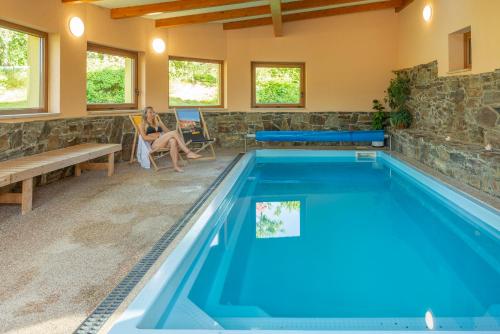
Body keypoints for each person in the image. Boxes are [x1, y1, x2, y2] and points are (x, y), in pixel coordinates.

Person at [139, 106, 201, 172]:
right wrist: (157, 136)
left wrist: (160, 123)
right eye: (150, 112)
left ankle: (176, 166)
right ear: (145, 114)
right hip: (154, 144)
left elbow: (168, 132)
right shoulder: (142, 124)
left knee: (173, 141)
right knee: (174, 132)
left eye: (153, 112)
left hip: (164, 142)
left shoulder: (158, 123)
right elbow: (144, 138)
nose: (152, 114)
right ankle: (188, 152)